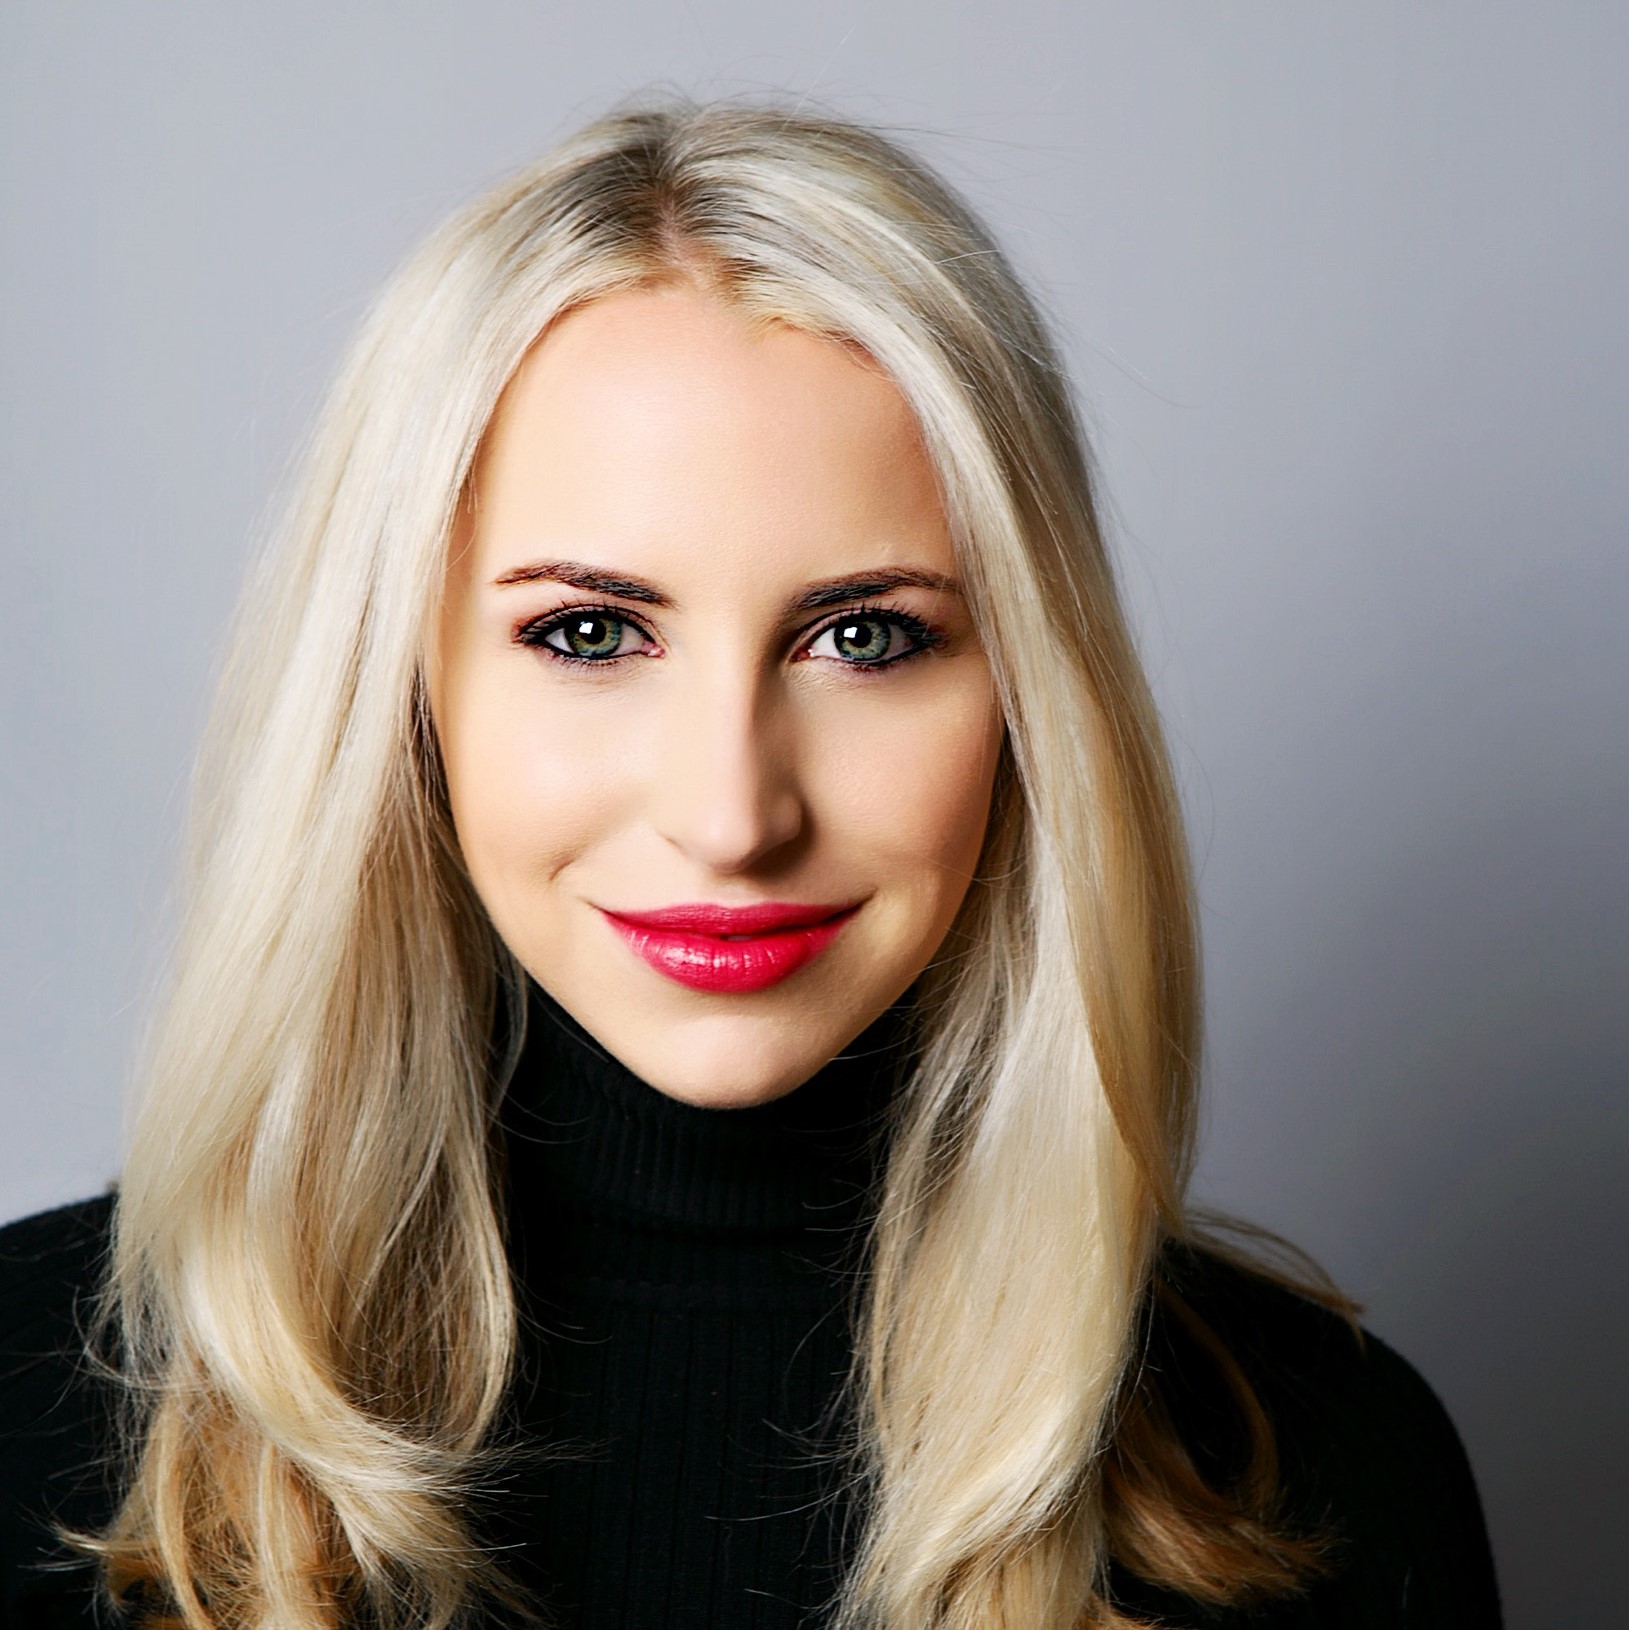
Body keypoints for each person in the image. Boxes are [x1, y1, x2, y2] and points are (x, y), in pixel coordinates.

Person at [0, 99, 1500, 1629]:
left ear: (1030, 698)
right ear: (402, 688)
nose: (731, 816)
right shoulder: (20, 1404)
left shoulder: (1324, 1475)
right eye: (590, 632)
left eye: (866, 636)